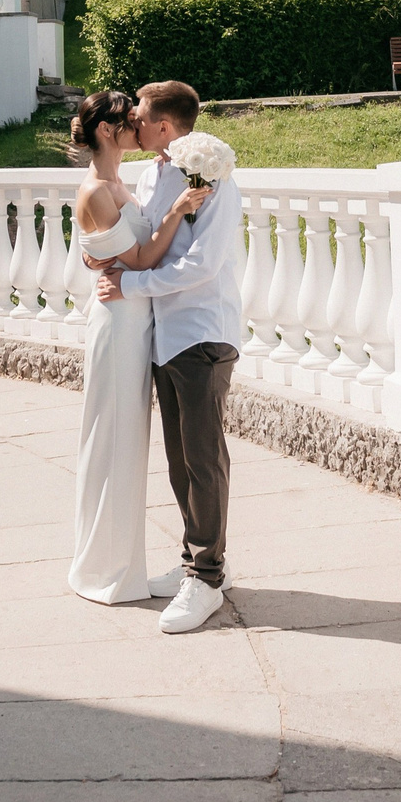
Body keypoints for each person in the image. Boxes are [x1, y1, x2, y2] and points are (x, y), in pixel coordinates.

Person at [90, 79, 241, 635]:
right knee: (180, 461)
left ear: (165, 126)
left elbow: (202, 265)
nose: (133, 122)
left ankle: (207, 577)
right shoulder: (153, 175)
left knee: (203, 459)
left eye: (142, 117)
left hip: (203, 332)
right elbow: (145, 243)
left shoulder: (217, 180)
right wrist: (105, 258)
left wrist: (132, 285)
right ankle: (197, 566)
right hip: (162, 336)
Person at [64, 88, 207, 605]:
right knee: (116, 438)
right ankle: (108, 570)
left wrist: (96, 254)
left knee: (127, 439)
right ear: (108, 131)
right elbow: (143, 259)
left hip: (135, 318)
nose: (137, 126)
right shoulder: (98, 190)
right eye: (129, 120)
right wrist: (178, 210)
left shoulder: (120, 182)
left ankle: (117, 564)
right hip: (120, 321)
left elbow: (109, 251)